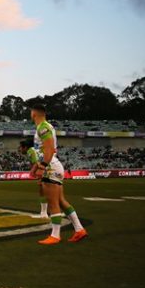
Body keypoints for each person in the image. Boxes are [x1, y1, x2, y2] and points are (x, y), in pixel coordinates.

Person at [30, 104, 88, 245]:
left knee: (53, 203)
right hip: (53, 166)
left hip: (51, 167)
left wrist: (42, 166)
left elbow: (49, 149)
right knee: (61, 201)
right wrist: (36, 166)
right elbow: (44, 150)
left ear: (34, 114)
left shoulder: (42, 127)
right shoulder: (44, 126)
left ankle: (55, 235)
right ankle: (79, 229)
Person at [20, 139, 48, 219]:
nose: (20, 149)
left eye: (21, 147)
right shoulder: (33, 150)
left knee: (43, 189)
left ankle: (44, 213)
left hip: (46, 168)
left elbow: (36, 163)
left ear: (25, 147)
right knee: (48, 190)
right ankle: (50, 212)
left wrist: (32, 171)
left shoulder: (30, 151)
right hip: (50, 166)